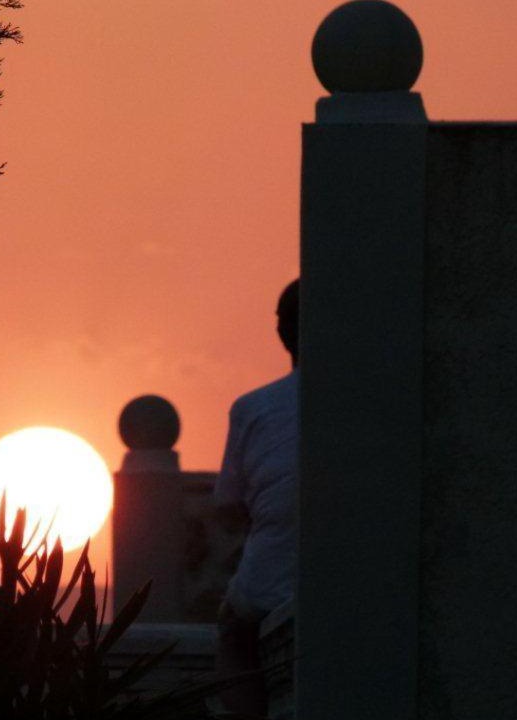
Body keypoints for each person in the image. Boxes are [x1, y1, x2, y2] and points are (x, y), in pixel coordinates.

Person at [214, 278, 299, 718]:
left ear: (283, 333)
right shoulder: (370, 403)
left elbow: (228, 505)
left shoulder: (254, 408)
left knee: (233, 636)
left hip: (268, 584)